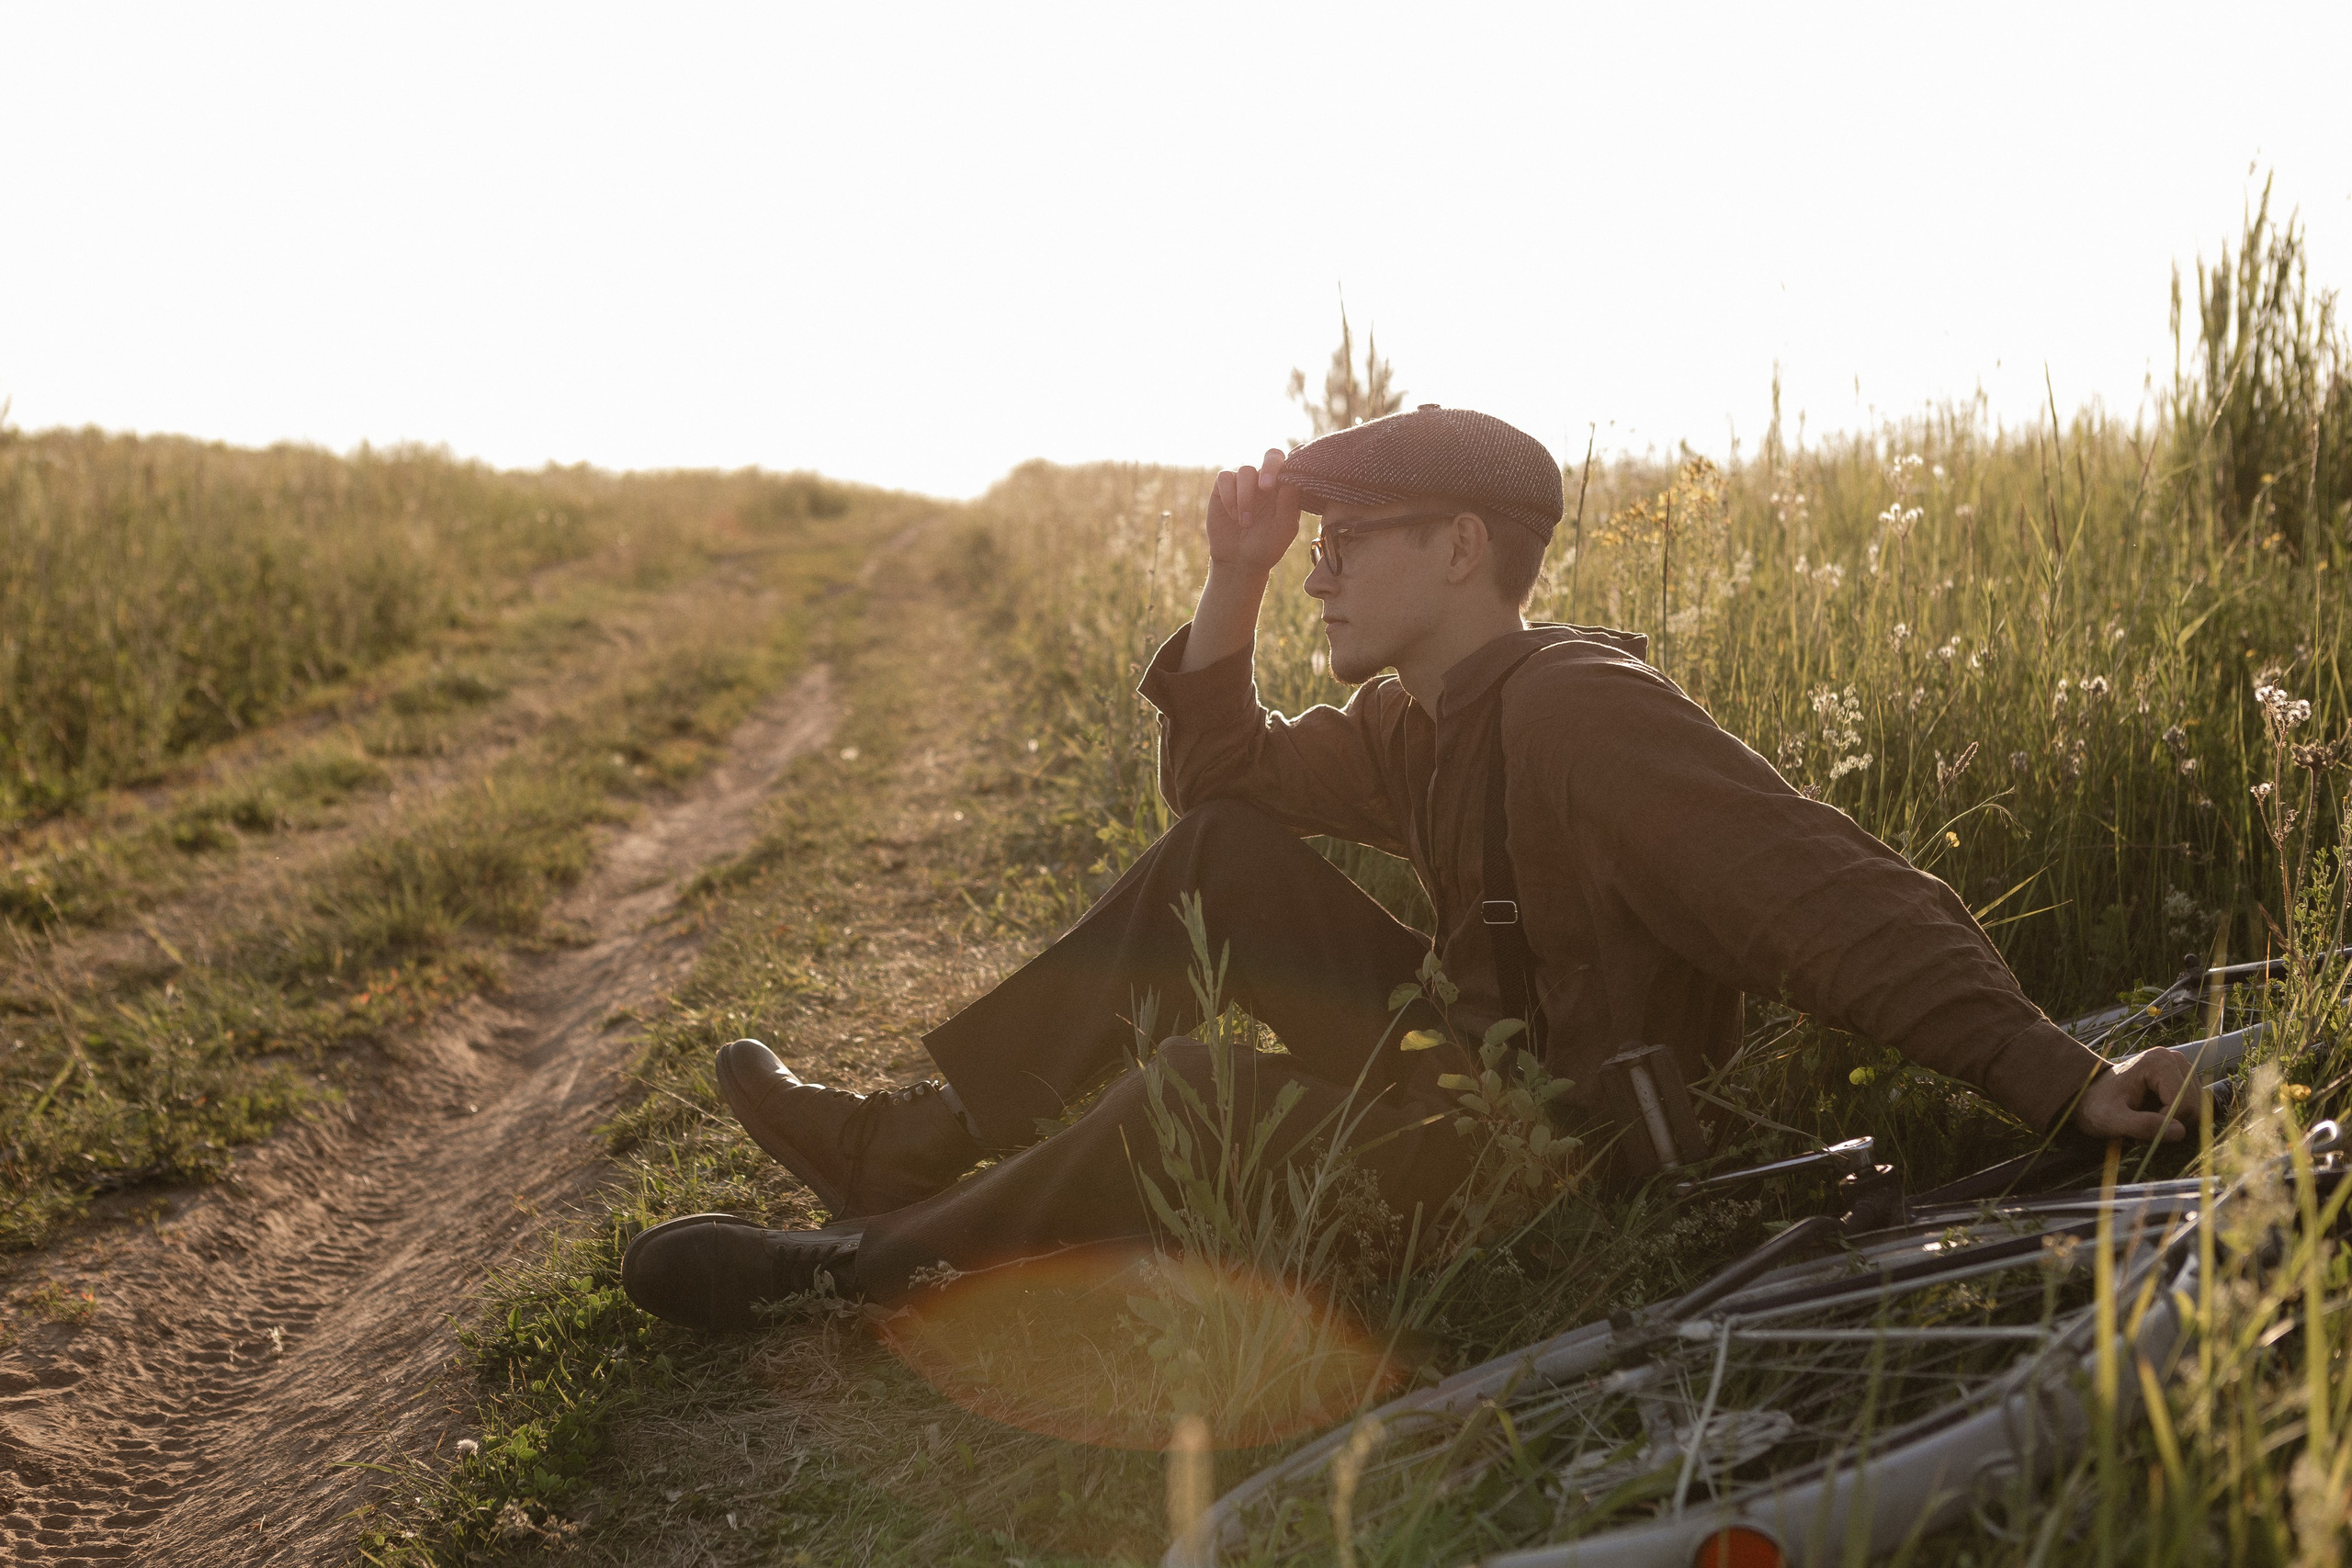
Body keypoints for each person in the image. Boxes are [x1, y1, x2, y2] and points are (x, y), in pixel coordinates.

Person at [620, 405, 2193, 1332]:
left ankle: (865, 1268)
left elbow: (1828, 899)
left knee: (1197, 1096)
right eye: (1314, 547)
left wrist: (2058, 1078)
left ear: (1461, 551)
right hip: (1461, 1079)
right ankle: (913, 1145)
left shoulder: (1585, 716)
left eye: (1346, 544)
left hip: (1560, 1165)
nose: (1320, 575)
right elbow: (1219, 789)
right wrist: (1233, 577)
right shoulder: (1424, 717)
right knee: (1221, 853)